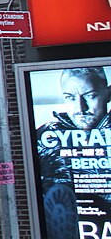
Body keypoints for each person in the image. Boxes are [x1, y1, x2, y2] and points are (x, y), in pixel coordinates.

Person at [36, 67, 111, 238]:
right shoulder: (46, 136)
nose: (80, 108)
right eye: (70, 98)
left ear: (108, 94)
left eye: (90, 96)